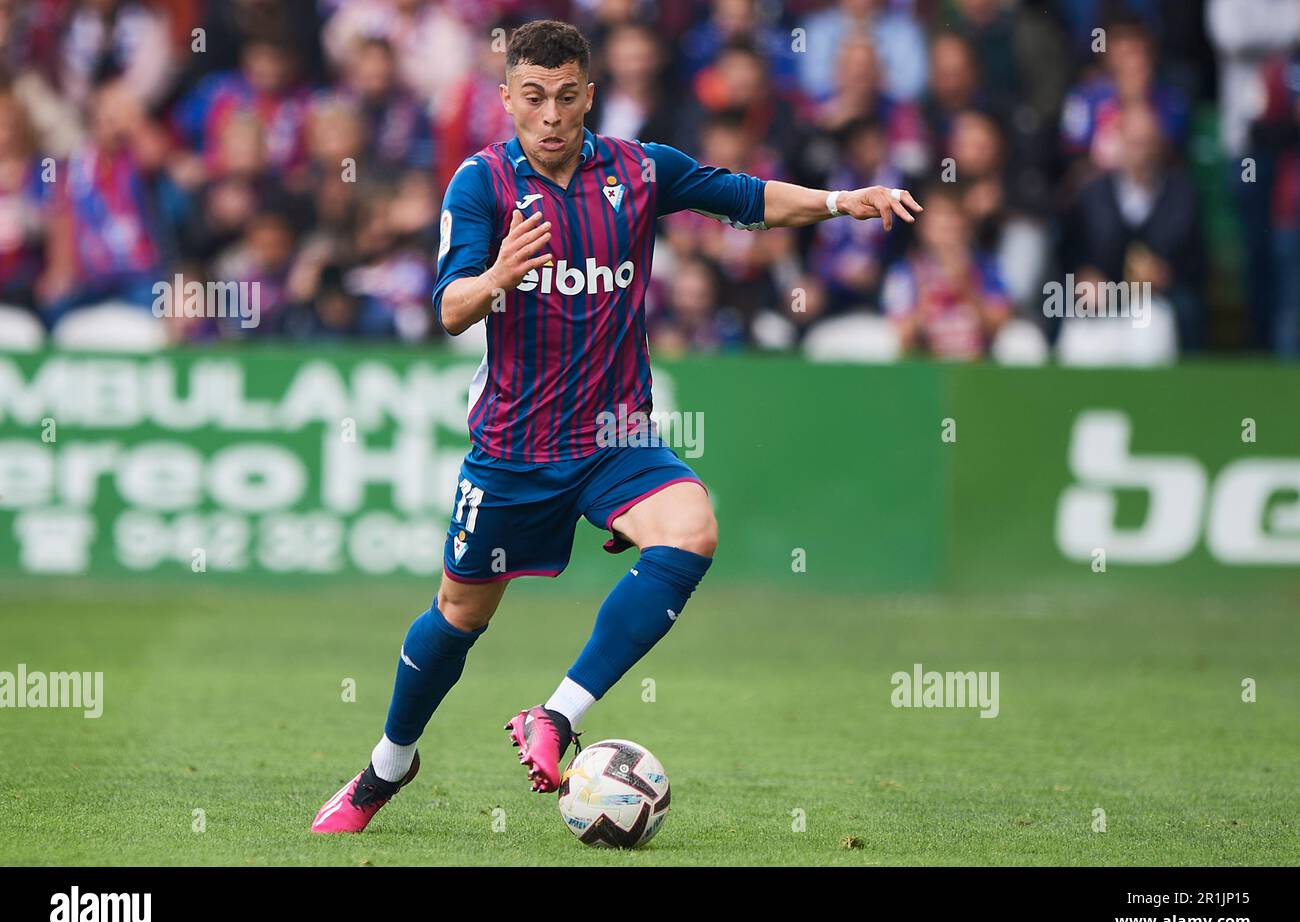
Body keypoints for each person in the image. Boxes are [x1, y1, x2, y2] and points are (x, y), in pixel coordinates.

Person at [310, 18, 921, 834]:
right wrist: (497, 274)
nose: (552, 114)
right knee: (460, 616)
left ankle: (558, 715)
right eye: (533, 98)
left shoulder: (638, 169)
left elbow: (746, 199)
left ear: (590, 95)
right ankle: (387, 768)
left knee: (693, 527)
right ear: (508, 100)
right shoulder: (481, 185)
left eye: (567, 97)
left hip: (615, 439)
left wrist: (845, 200)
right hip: (515, 451)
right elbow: (450, 310)